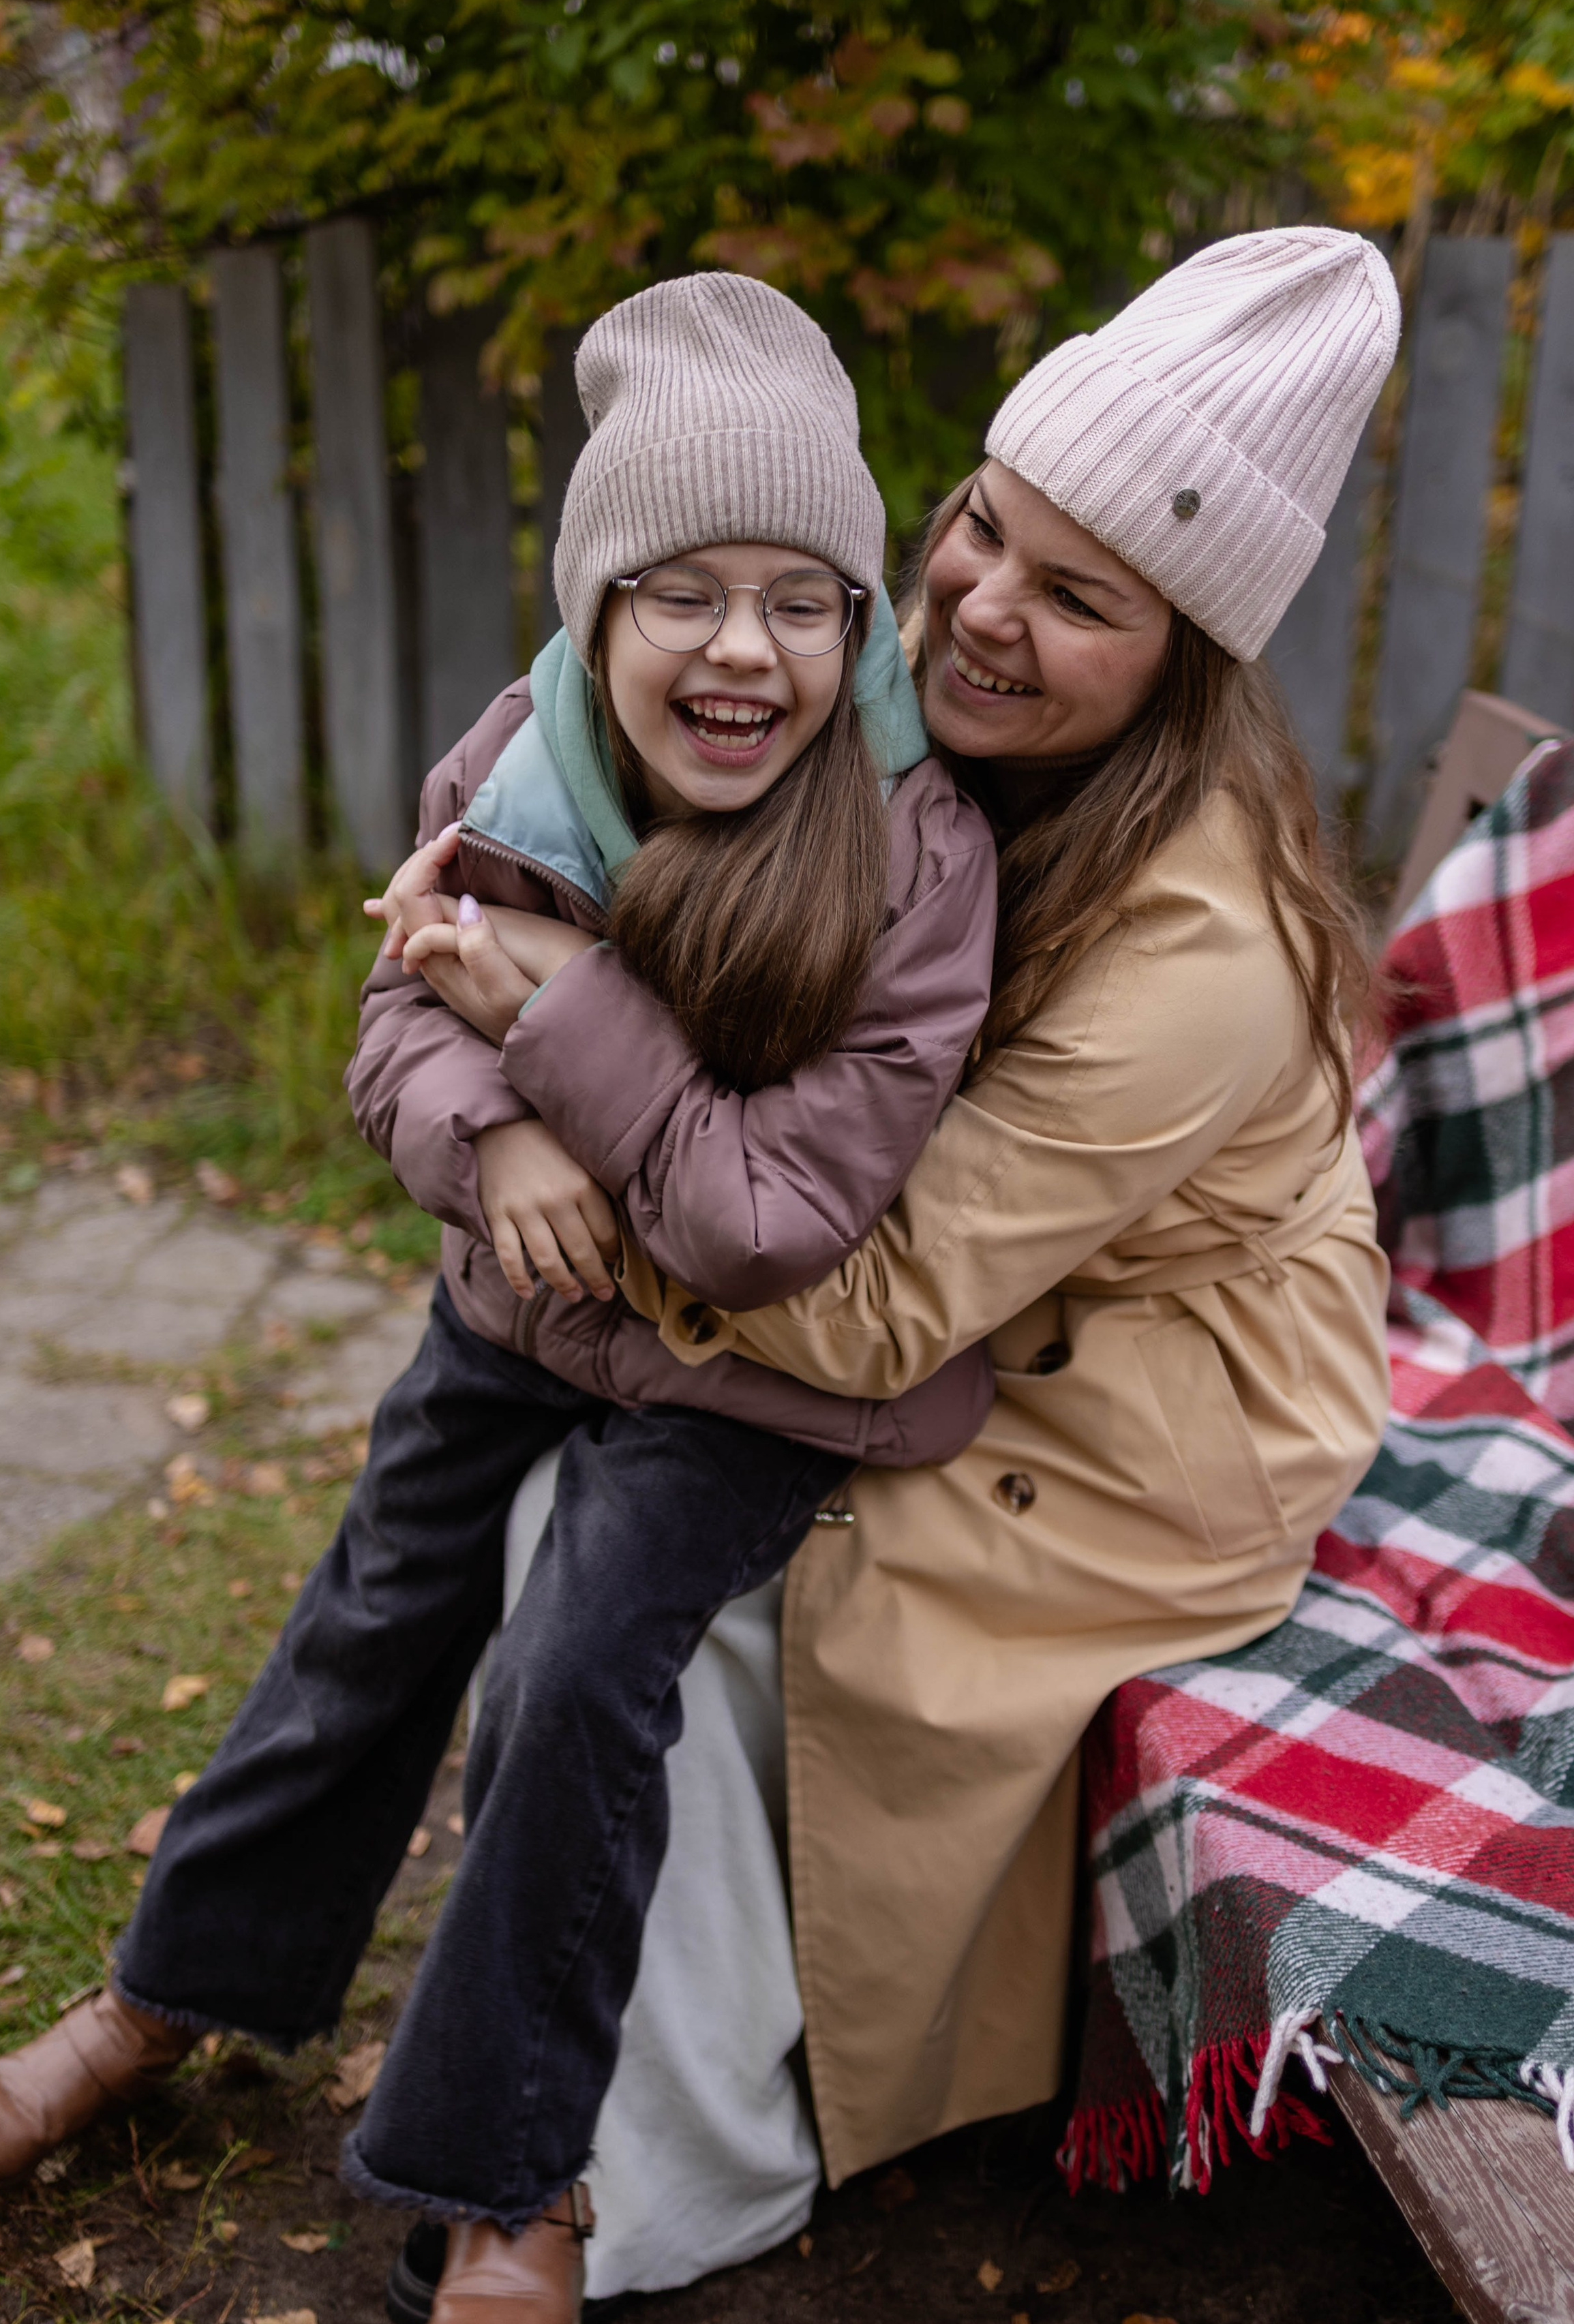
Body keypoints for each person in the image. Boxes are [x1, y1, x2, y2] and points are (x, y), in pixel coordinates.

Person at [0, 275, 999, 2324]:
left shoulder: (915, 853)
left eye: (804, 602)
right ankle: (166, 1993)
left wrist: (543, 1014)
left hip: (758, 1377)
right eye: (686, 597)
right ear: (594, 606)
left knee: (571, 1660)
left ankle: (514, 2172)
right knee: (372, 1613)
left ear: (860, 621)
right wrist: (492, 1143)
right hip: (523, 1306)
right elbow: (386, 1026)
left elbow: (768, 1217)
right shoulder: (524, 757)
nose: (745, 652)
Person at [510, 226, 1402, 2214]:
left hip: (1151, 1416)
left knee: (730, 1592)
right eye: (984, 527)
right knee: (569, 1504)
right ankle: (555, 2062)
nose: (981, 608)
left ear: (1185, 655)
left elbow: (880, 1301)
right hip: (899, 1275)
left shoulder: (1203, 938)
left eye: (1078, 596)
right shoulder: (916, 712)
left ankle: (685, 2172)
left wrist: (570, 1155)